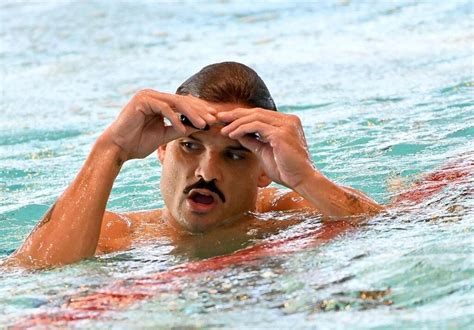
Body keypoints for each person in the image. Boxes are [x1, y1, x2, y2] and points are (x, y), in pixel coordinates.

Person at [5, 62, 383, 269]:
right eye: (189, 146)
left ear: (264, 171)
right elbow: (37, 273)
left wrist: (304, 177)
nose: (205, 172)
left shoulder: (295, 214)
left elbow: (386, 230)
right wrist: (111, 149)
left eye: (234, 154)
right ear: (162, 151)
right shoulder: (114, 234)